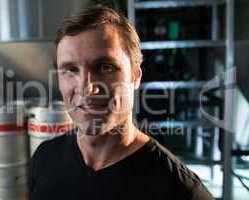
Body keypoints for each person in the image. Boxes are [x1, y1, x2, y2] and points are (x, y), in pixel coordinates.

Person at [29, 5, 214, 200]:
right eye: (70, 70)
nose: (86, 88)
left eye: (105, 67)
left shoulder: (181, 190)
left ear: (135, 76)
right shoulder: (44, 158)